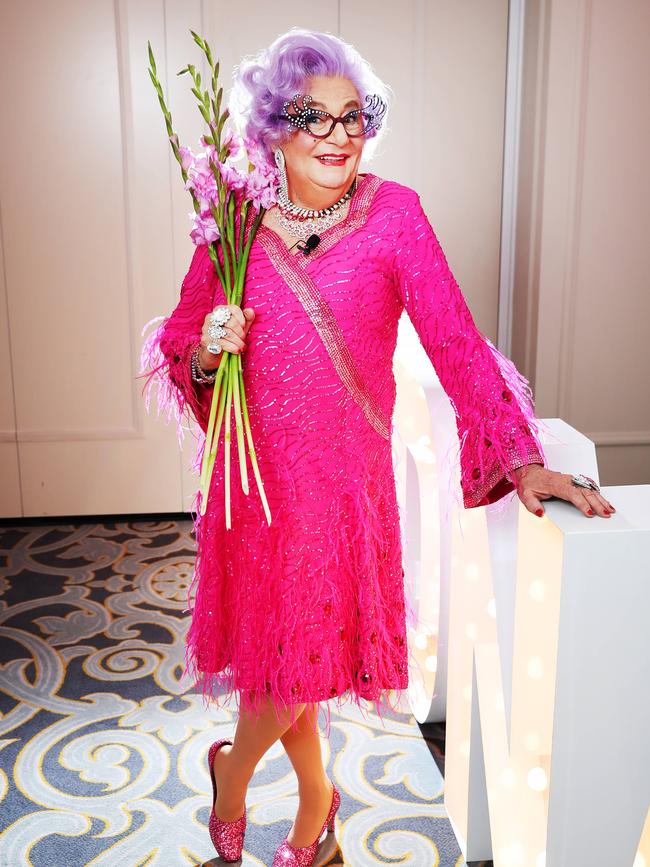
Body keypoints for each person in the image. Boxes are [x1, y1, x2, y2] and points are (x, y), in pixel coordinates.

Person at [140, 27, 617, 867]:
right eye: (310, 117)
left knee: (301, 655)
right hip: (255, 490)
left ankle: (233, 774)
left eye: (353, 115)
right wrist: (211, 348)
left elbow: (456, 341)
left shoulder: (394, 214)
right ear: (272, 131)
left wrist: (519, 452)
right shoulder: (232, 225)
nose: (337, 134)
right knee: (290, 656)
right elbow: (182, 343)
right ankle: (318, 820)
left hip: (343, 485)